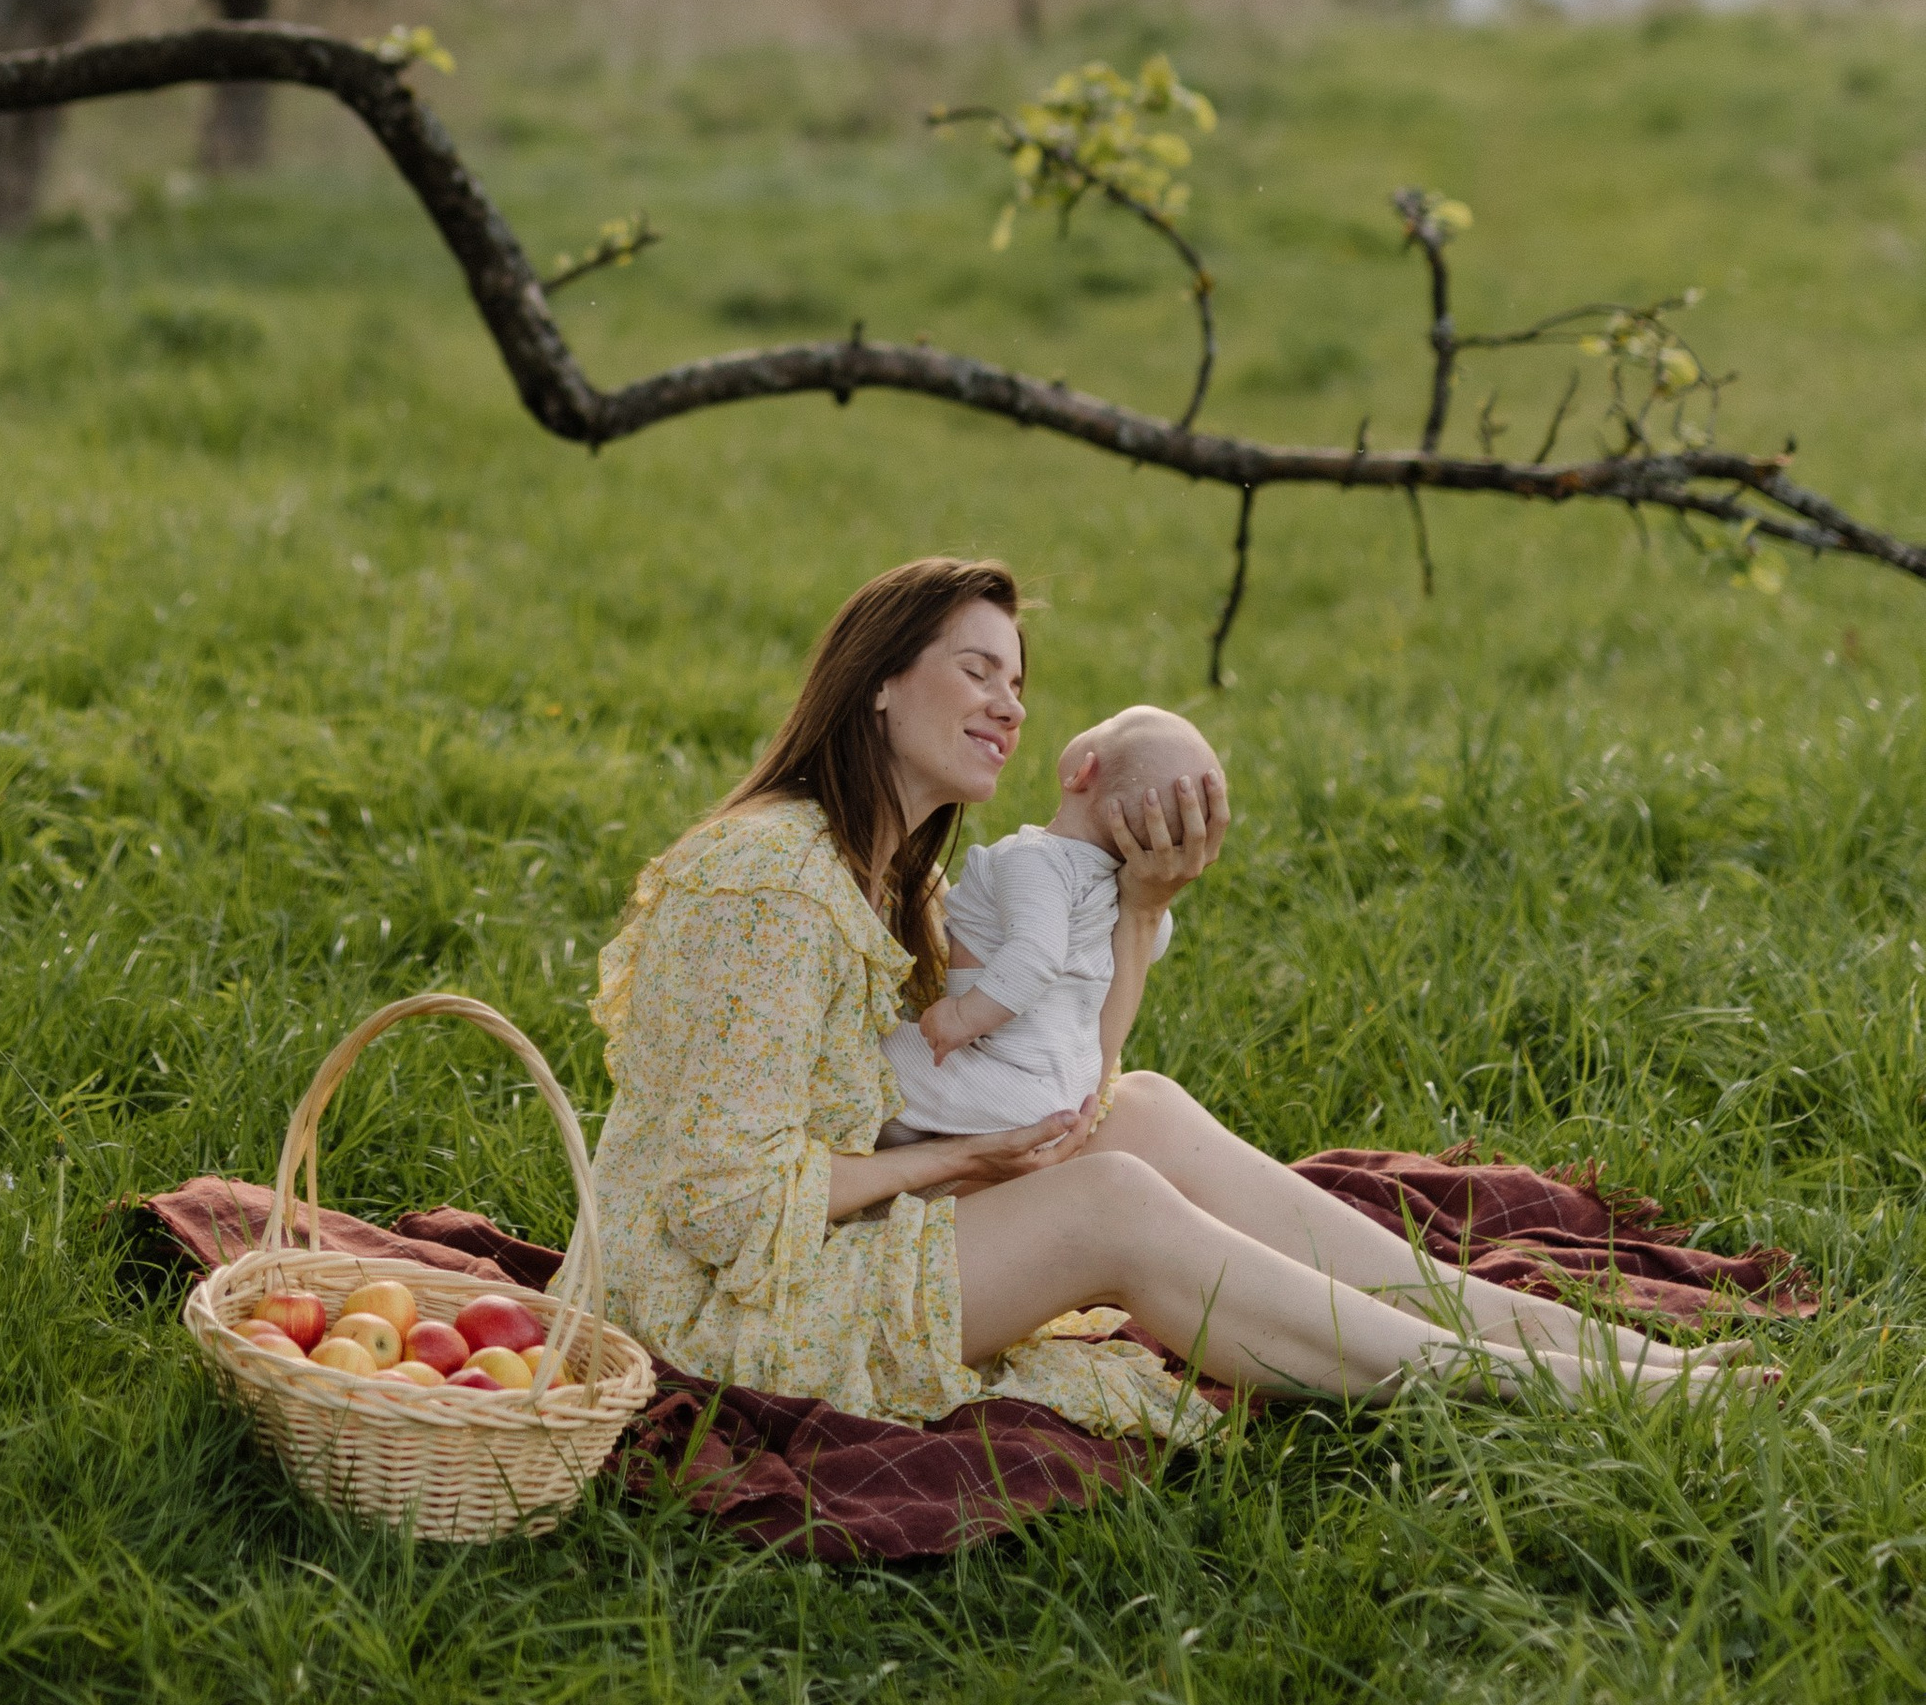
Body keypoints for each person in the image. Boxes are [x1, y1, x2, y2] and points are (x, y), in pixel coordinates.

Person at [589, 555, 1738, 1419]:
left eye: (1019, 681)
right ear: (877, 688)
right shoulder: (770, 889)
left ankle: (1589, 1348)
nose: (1009, 703)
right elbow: (718, 1209)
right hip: (719, 1309)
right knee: (1113, 1202)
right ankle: (1558, 1394)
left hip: (796, 1245)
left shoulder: (890, 873)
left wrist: (1139, 913)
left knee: (1140, 1117)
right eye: (974, 669)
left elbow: (1076, 1087)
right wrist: (952, 1164)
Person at [880, 704, 1219, 1147]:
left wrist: (964, 1017)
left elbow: (1035, 956)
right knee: (911, 1104)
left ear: (1083, 771)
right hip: (1070, 1090)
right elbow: (1150, 945)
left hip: (1011, 1078)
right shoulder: (1121, 890)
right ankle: (915, 1151)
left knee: (878, 1061)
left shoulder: (1035, 860)